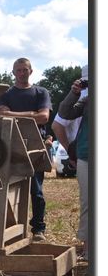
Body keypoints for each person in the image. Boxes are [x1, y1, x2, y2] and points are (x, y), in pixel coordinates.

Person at [0, 57, 52, 240]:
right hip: (11, 144)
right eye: (18, 70)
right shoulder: (6, 94)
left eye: (25, 69)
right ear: (13, 73)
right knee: (9, 188)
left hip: (36, 145)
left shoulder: (41, 92)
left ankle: (38, 229)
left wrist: (16, 115)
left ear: (31, 71)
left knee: (36, 190)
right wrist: (30, 114)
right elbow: (2, 114)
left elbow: (44, 117)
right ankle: (11, 229)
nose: (21, 73)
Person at [57, 65, 89, 261]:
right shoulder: (85, 101)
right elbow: (65, 113)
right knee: (88, 202)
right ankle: (88, 249)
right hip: (86, 154)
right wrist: (74, 93)